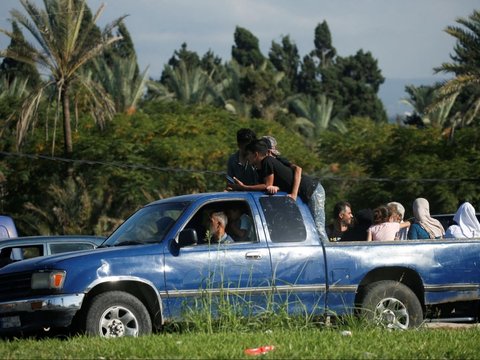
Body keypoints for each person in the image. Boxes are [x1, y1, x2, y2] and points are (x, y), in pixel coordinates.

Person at [232, 140, 327, 241]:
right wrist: (276, 187)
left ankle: (328, 252)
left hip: (312, 189)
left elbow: (268, 184)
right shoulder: (260, 168)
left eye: (248, 154)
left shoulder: (268, 161)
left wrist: (244, 187)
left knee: (318, 227)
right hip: (304, 193)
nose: (247, 157)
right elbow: (272, 184)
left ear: (256, 154)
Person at [260, 135, 302, 201]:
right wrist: (277, 188)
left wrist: (294, 194)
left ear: (269, 151)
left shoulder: (278, 160)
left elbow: (298, 169)